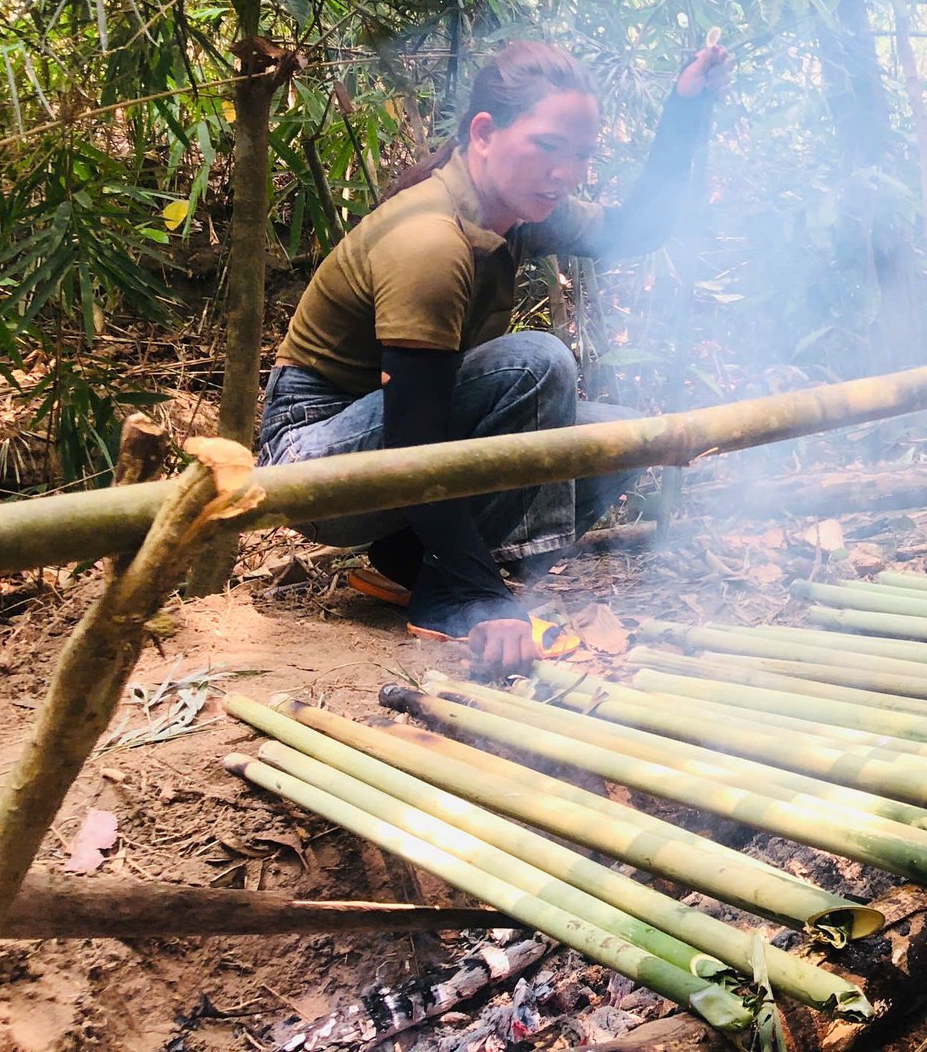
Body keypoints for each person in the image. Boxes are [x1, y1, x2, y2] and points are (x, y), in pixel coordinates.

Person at [257, 39, 730, 674]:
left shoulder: (515, 210)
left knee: (623, 437)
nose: (567, 172)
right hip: (313, 459)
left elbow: (634, 230)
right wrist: (483, 597)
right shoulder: (430, 241)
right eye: (548, 147)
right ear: (484, 132)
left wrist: (685, 109)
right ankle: (456, 590)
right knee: (536, 362)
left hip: (397, 445)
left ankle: (416, 566)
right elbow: (413, 444)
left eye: (582, 154)